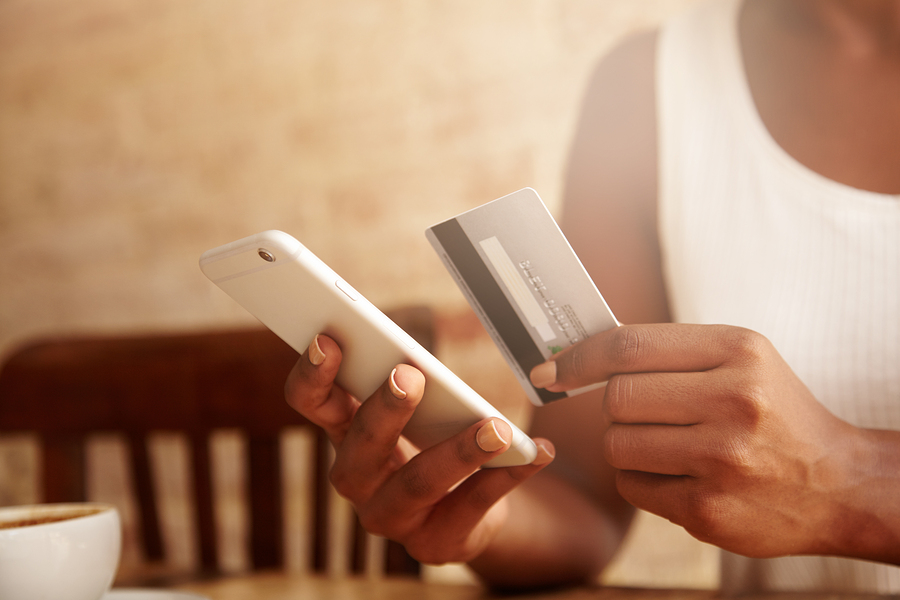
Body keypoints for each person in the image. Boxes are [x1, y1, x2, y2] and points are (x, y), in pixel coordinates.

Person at [285, 0, 900, 593]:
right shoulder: (651, 84)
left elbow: (837, 483)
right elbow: (582, 495)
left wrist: (847, 482)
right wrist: (473, 506)